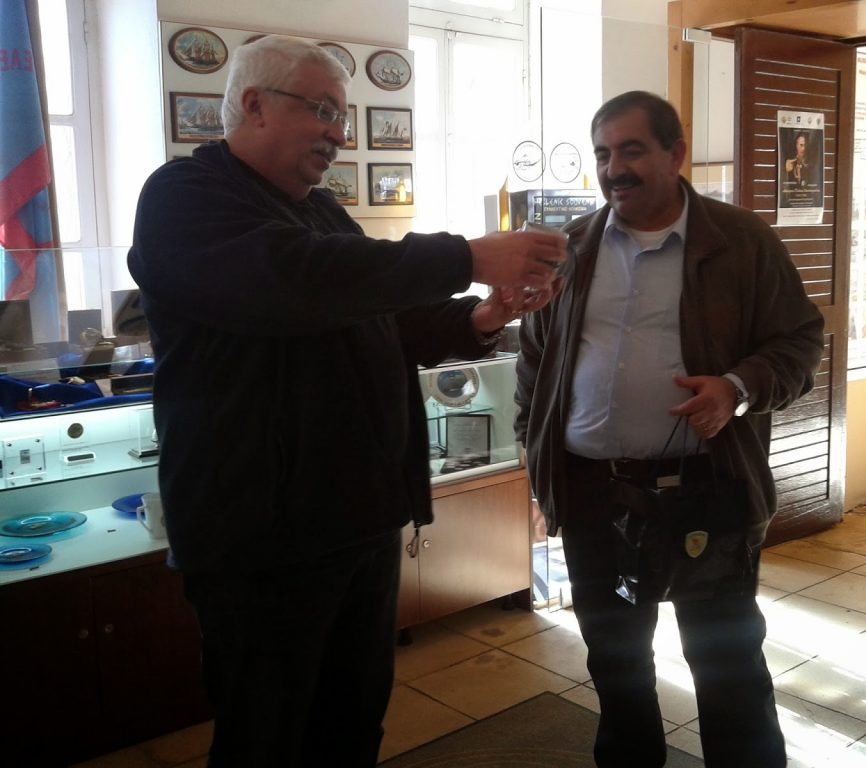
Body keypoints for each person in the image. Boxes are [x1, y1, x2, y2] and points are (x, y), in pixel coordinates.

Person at [128, 35, 565, 768]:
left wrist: (482, 315)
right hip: (261, 539)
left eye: (343, 115)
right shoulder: (184, 197)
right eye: (323, 110)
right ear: (255, 104)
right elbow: (293, 282)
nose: (339, 132)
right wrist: (465, 256)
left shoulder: (324, 212)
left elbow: (381, 317)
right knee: (266, 739)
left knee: (352, 724)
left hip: (359, 519)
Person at [514, 90, 824, 768]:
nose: (613, 169)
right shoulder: (571, 250)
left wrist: (736, 389)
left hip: (706, 490)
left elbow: (801, 343)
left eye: (631, 151)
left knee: (727, 667)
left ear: (675, 152)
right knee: (616, 664)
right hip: (593, 494)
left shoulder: (741, 242)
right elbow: (535, 362)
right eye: (603, 154)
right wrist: (536, 464)